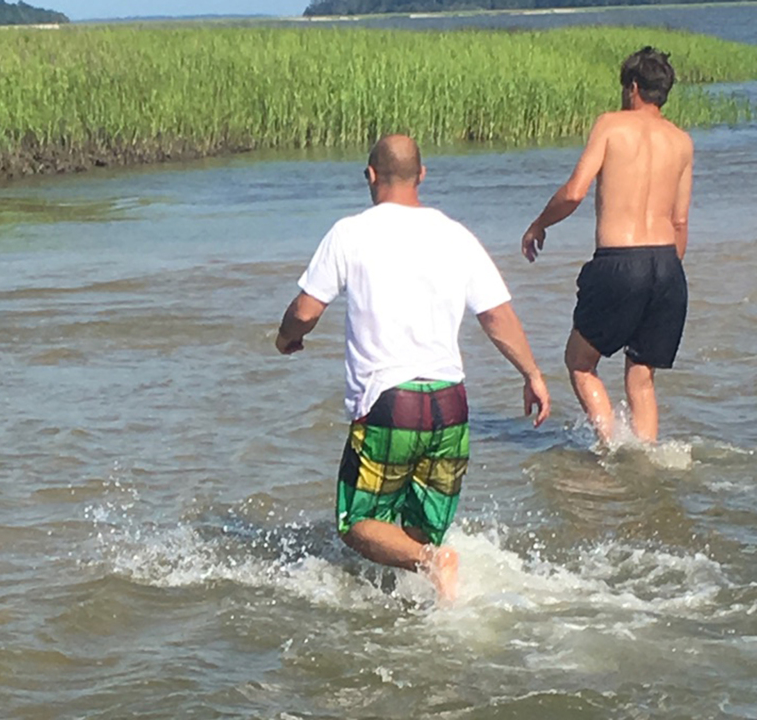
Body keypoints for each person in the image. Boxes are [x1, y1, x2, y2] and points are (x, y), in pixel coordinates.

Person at [276, 135, 550, 604]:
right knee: (418, 529)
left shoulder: (350, 233)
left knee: (356, 522)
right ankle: (431, 592)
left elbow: (305, 309)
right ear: (422, 175)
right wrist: (533, 375)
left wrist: (288, 338)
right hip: (450, 404)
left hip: (390, 403)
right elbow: (496, 315)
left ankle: (432, 563)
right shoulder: (456, 235)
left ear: (370, 175)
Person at [521, 46, 693, 445]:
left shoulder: (611, 125)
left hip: (621, 261)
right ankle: (645, 461)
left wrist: (538, 224)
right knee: (641, 376)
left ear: (632, 87)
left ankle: (611, 450)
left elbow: (575, 191)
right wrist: (660, 278)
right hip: (668, 266)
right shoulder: (682, 142)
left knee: (580, 362)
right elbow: (680, 221)